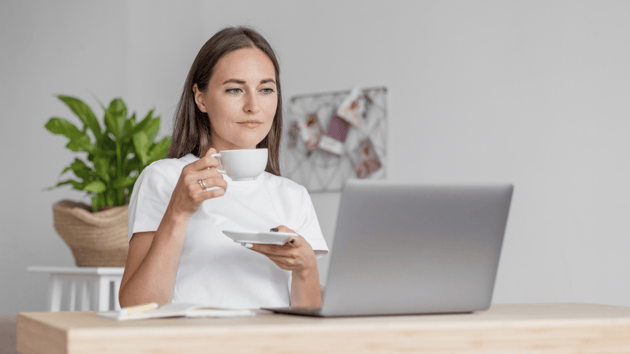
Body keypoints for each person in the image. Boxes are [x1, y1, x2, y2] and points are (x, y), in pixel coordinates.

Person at [118, 26, 328, 310]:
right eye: (235, 90)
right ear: (200, 98)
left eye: (266, 89)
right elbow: (137, 306)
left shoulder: (293, 195)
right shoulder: (165, 178)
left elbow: (306, 322)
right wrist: (178, 213)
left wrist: (307, 269)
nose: (253, 106)